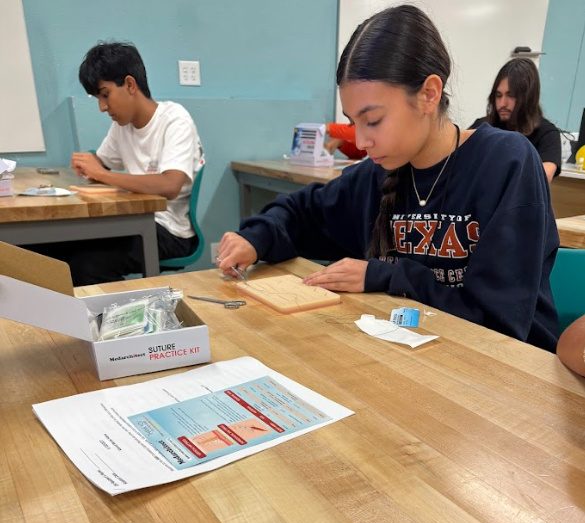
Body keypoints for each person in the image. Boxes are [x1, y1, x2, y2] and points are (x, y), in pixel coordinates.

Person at [218, 5, 559, 352]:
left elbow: (498, 321)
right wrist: (256, 238)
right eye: (354, 122)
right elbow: (302, 212)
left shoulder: (507, 162)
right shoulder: (378, 173)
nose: (362, 142)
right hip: (418, 359)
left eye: (374, 120)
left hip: (507, 370)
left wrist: (384, 275)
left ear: (429, 94)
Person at [64, 42, 203, 284]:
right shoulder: (122, 126)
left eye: (105, 94)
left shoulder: (175, 120)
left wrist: (101, 173)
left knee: (86, 266)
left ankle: (121, 319)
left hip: (169, 230)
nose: (102, 107)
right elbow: (102, 163)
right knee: (59, 251)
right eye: (98, 98)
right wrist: (89, 164)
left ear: (130, 84)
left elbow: (170, 185)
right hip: (133, 221)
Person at [470, 58, 561, 183]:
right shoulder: (482, 126)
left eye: (511, 95)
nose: (503, 103)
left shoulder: (547, 134)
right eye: (498, 95)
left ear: (527, 97)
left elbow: (542, 178)